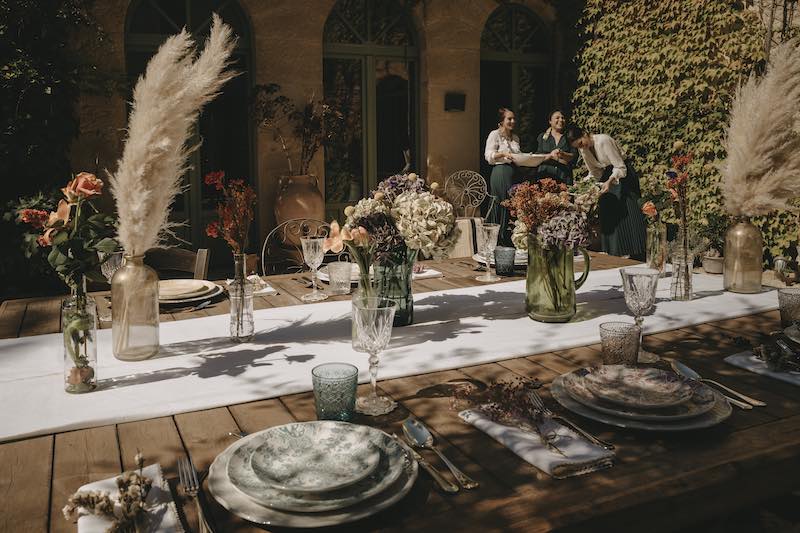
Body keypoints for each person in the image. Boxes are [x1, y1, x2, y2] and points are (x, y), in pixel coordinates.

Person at [567, 126, 646, 259]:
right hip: (606, 178)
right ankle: (615, 252)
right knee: (607, 208)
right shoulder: (584, 151)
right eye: (578, 147)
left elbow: (620, 167)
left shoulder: (604, 140)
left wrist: (610, 181)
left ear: (585, 134)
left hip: (623, 176)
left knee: (627, 212)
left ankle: (637, 252)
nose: (582, 147)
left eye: (581, 143)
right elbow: (595, 173)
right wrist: (581, 185)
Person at [484, 107, 522, 246]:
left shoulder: (515, 137)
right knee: (501, 203)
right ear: (501, 121)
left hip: (513, 173)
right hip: (500, 172)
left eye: (513, 118)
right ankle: (496, 239)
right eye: (509, 119)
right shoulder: (495, 135)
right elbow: (488, 156)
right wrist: (502, 154)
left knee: (512, 204)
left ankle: (509, 238)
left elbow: (517, 156)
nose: (513, 121)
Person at [536, 110, 577, 185]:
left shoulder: (569, 137)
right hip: (545, 178)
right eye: (557, 118)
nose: (561, 120)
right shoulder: (542, 137)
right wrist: (551, 156)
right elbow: (537, 157)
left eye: (562, 118)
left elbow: (574, 157)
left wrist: (562, 154)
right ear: (550, 121)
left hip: (564, 177)